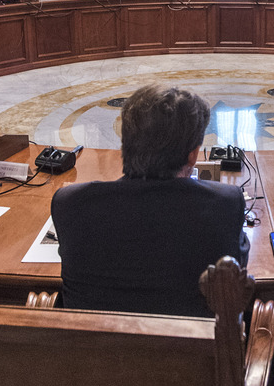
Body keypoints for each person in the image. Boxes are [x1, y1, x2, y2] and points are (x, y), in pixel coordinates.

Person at [52, 85, 249, 317]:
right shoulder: (225, 204)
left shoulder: (70, 204)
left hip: (96, 341)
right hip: (189, 341)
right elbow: (237, 264)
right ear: (193, 155)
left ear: (125, 144)